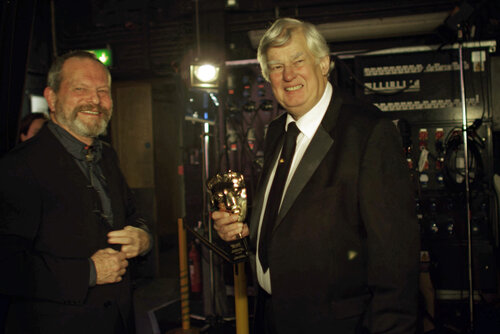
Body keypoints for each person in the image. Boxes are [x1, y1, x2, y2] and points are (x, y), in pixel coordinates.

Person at [212, 18, 420, 334]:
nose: (288, 75)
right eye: (276, 67)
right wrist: (243, 229)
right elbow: (287, 216)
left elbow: (395, 261)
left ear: (323, 64)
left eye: (298, 61)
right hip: (271, 316)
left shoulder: (368, 132)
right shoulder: (276, 133)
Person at [0, 50, 152, 334]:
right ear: (52, 97)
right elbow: (7, 266)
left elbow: (134, 215)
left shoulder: (107, 155)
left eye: (102, 91)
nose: (94, 100)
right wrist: (89, 273)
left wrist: (143, 238)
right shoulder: (18, 167)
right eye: (80, 89)